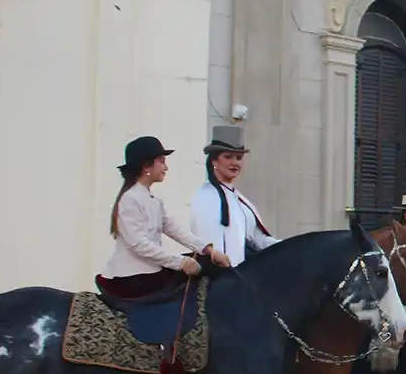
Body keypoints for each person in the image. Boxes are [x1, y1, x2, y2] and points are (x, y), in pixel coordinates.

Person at [98, 135, 230, 299]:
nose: (166, 167)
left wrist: (208, 251)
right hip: (133, 276)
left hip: (151, 270)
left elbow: (176, 230)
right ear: (146, 166)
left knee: (208, 264)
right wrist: (180, 262)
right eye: (161, 161)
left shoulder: (154, 201)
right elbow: (138, 244)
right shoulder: (130, 199)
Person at [190, 125, 280, 267]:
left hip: (239, 274)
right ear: (214, 161)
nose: (235, 163)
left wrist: (289, 246)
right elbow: (209, 240)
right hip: (218, 275)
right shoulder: (206, 196)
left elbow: (258, 239)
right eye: (228, 157)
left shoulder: (240, 200)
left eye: (238, 158)